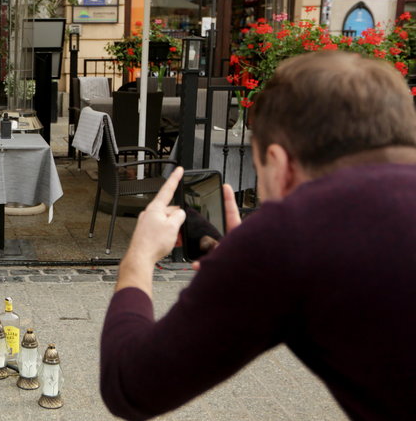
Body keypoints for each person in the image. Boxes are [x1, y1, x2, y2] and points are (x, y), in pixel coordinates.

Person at [100, 51, 416, 421]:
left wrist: (138, 257)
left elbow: (130, 386)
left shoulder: (294, 232)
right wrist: (244, 266)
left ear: (280, 165)